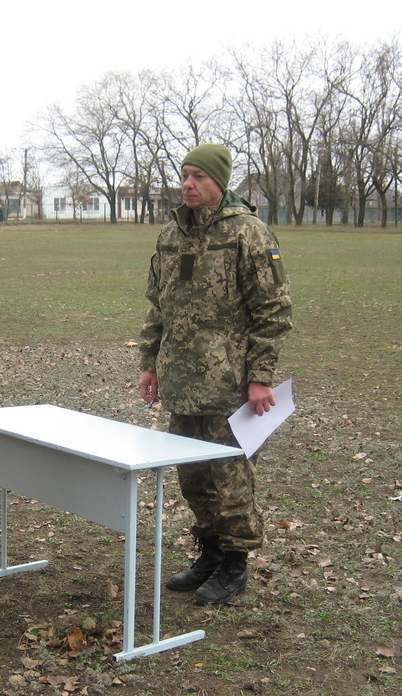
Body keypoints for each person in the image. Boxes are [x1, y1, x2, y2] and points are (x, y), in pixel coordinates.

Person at [138, 143, 293, 606]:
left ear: (220, 181)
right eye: (184, 175)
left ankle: (235, 564)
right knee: (193, 477)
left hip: (229, 385)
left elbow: (273, 309)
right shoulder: (171, 234)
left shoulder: (248, 233)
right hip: (182, 383)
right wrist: (150, 362)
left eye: (199, 176)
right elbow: (159, 306)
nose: (188, 184)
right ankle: (209, 554)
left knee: (230, 478)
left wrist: (260, 375)